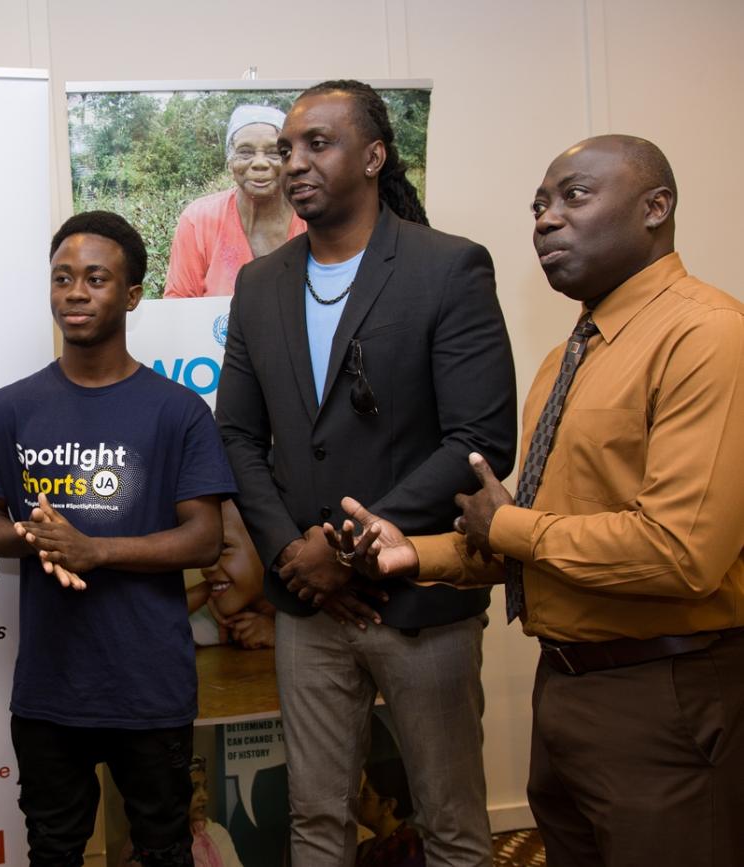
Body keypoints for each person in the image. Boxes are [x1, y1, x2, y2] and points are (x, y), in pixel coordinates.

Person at [329, 135, 744, 867]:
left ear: (656, 208)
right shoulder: (568, 356)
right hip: (567, 686)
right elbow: (535, 535)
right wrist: (410, 552)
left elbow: (681, 554)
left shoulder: (706, 335)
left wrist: (509, 523)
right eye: (539, 206)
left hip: (665, 692)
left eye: (574, 196)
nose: (546, 220)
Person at [214, 79, 516, 867]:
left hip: (418, 599)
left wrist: (342, 546)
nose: (294, 162)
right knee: (316, 822)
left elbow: (481, 440)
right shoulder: (260, 282)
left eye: (319, 143)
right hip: (309, 604)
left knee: (450, 825)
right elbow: (239, 435)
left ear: (375, 155)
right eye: (287, 149)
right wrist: (291, 555)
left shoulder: (446, 268)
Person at [0, 210, 236, 866]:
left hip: (151, 685)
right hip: (51, 689)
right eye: (62, 278)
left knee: (166, 848)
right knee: (54, 850)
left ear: (133, 294)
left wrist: (98, 549)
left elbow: (205, 539)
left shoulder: (177, 410)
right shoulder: (8, 409)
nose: (75, 292)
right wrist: (38, 538)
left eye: (95, 278)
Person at [163, 104, 306, 298]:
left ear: (289, 159)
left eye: (274, 152)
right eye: (245, 152)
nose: (260, 163)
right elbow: (179, 305)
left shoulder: (310, 218)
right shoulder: (198, 221)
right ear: (230, 161)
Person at [187, 499, 276, 649]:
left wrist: (277, 636)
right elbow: (144, 626)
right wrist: (206, 590)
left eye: (224, 547)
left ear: (268, 547)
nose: (207, 567)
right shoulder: (221, 615)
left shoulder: (314, 609)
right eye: (206, 551)